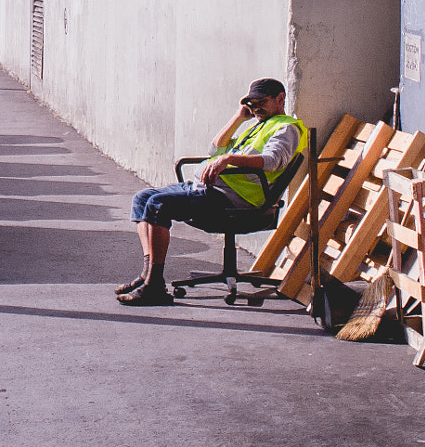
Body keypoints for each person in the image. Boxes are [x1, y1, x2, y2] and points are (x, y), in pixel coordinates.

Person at [116, 78, 308, 306]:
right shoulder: (260, 124)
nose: (256, 109)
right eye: (252, 104)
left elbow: (272, 161)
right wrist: (238, 118)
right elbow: (215, 148)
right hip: (211, 188)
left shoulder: (286, 128)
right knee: (142, 198)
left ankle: (154, 287)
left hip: (234, 200)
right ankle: (147, 275)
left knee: (159, 204)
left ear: (280, 98)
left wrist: (228, 159)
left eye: (261, 103)